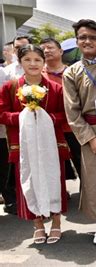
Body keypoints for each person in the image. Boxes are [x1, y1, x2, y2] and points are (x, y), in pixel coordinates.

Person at [0, 44, 68, 244]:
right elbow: (2, 113)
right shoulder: (10, 87)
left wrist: (45, 117)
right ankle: (37, 224)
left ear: (43, 62)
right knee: (28, 182)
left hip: (52, 145)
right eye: (27, 59)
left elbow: (64, 114)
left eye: (37, 60)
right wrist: (23, 116)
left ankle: (56, 222)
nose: (33, 64)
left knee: (55, 180)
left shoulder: (55, 88)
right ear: (20, 62)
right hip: (23, 145)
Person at [62, 19, 96, 245]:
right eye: (83, 37)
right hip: (93, 129)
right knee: (95, 179)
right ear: (77, 41)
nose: (88, 41)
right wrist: (90, 139)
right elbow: (72, 112)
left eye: (93, 37)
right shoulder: (72, 72)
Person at [40, 38, 81, 182]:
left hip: (73, 126)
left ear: (61, 51)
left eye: (50, 47)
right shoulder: (37, 75)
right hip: (50, 127)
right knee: (54, 164)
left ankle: (88, 195)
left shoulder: (74, 72)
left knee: (80, 160)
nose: (46, 51)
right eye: (43, 48)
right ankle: (60, 195)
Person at [0, 36, 32, 214]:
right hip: (13, 125)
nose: (21, 49)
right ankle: (16, 198)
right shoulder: (8, 71)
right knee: (16, 165)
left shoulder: (39, 67)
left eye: (25, 46)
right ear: (13, 50)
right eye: (18, 47)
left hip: (36, 124)